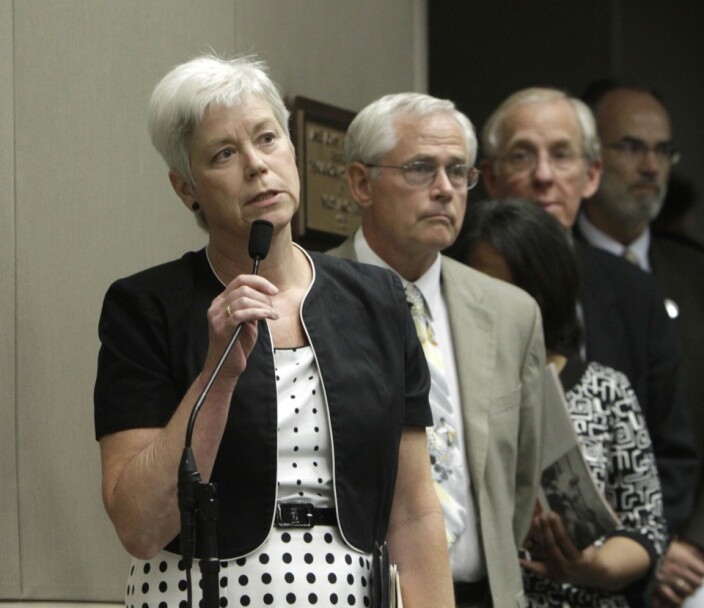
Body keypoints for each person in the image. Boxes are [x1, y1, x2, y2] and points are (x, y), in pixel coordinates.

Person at [94, 54, 453, 608]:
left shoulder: (378, 301)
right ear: (186, 188)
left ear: (291, 149)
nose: (257, 166)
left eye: (267, 139)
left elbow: (413, 509)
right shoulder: (145, 307)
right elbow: (141, 528)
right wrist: (217, 371)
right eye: (224, 154)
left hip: (351, 591)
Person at [327, 92, 546, 607]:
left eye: (458, 172)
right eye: (422, 169)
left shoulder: (512, 312)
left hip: (482, 593)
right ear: (362, 183)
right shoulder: (311, 296)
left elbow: (520, 479)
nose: (445, 190)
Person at [480, 86, 697, 542]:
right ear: (492, 178)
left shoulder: (635, 291)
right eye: (522, 157)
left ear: (591, 175)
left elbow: (671, 448)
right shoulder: (459, 281)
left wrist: (644, 549)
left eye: (561, 156)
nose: (544, 176)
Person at [578, 79, 704, 608]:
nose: (652, 166)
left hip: (693, 571)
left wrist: (691, 545)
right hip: (594, 562)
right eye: (632, 147)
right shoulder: (555, 271)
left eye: (663, 151)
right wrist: (639, 547)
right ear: (592, 158)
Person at [448, 197, 667, 607]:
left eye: (511, 292)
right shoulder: (442, 383)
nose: (498, 309)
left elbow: (646, 526)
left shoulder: (605, 390)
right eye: (481, 291)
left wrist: (590, 566)